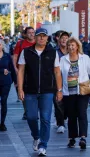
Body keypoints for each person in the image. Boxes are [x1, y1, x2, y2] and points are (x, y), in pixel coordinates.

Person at [17, 28, 64, 156]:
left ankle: (43, 145)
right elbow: (21, 71)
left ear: (47, 38)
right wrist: (20, 89)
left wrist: (59, 90)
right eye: (39, 36)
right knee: (31, 117)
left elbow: (57, 72)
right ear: (35, 38)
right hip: (30, 91)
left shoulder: (52, 52)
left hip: (47, 91)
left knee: (45, 118)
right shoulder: (26, 52)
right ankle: (36, 136)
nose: (42, 38)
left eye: (44, 36)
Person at [59, 37, 90, 150]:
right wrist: (58, 90)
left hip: (82, 91)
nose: (71, 47)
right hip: (68, 92)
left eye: (73, 45)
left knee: (82, 113)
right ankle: (72, 138)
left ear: (78, 46)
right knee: (71, 115)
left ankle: (83, 137)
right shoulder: (63, 59)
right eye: (69, 45)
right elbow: (58, 76)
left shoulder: (85, 58)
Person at [13, 27, 35, 120]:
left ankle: (33, 110)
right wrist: (15, 68)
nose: (31, 34)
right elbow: (15, 56)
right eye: (29, 32)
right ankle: (27, 110)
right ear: (25, 34)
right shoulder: (20, 43)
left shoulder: (37, 42)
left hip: (34, 72)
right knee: (22, 91)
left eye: (33, 32)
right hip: (22, 71)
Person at [53, 31, 70, 134]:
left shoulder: (72, 51)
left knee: (68, 103)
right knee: (58, 102)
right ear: (58, 40)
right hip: (57, 81)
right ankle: (61, 123)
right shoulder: (54, 52)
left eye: (66, 38)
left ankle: (64, 117)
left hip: (70, 81)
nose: (64, 40)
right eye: (62, 38)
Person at [0, 39, 16, 131]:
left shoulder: (7, 56)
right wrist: (2, 70)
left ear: (2, 46)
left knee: (4, 101)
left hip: (6, 82)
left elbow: (12, 69)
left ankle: (2, 123)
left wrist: (15, 81)